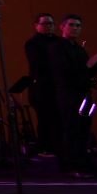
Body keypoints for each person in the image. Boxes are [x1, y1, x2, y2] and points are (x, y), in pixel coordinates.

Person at [52, 14, 97, 176]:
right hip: (68, 94)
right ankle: (70, 165)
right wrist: (89, 65)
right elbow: (63, 72)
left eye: (78, 26)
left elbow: (86, 73)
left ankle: (83, 162)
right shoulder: (57, 47)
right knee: (72, 129)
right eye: (72, 25)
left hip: (83, 93)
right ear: (62, 27)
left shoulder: (79, 48)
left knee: (83, 130)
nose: (75, 28)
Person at [23, 13, 63, 159]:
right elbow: (38, 64)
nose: (49, 26)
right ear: (36, 26)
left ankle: (59, 146)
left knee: (59, 118)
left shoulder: (59, 41)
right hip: (41, 88)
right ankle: (45, 147)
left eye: (51, 23)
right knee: (45, 118)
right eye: (45, 23)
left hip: (58, 86)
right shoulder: (32, 43)